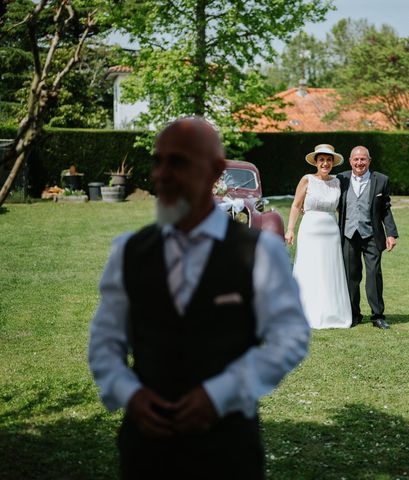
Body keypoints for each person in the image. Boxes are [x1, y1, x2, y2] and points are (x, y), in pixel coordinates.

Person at [88, 117, 309, 479]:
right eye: (158, 161)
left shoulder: (259, 252)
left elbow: (290, 336)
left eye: (178, 162)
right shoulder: (129, 251)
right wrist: (129, 393)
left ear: (215, 171)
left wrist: (220, 394)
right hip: (146, 448)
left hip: (227, 449)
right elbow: (104, 341)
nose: (161, 175)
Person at [285, 144, 351, 329]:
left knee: (330, 270)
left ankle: (333, 313)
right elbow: (296, 206)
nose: (325, 163)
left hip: (331, 231)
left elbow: (341, 207)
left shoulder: (338, 182)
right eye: (321, 160)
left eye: (328, 160)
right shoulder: (307, 180)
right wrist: (290, 229)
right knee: (310, 269)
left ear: (332, 162)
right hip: (310, 230)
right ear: (316, 162)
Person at [337, 146, 398, 329]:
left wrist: (391, 233)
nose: (359, 163)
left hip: (372, 235)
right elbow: (326, 196)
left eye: (363, 159)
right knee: (351, 277)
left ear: (369, 161)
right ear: (350, 161)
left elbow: (385, 209)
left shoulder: (381, 180)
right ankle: (354, 314)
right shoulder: (341, 179)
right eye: (356, 159)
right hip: (348, 235)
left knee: (373, 275)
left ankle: (377, 316)